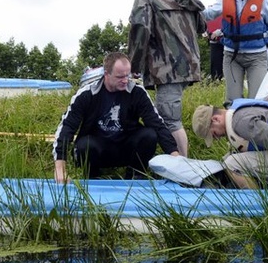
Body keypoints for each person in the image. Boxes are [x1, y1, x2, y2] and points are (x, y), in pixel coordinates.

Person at [53, 52, 179, 183]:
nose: (125, 80)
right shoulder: (86, 94)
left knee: (149, 135)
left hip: (125, 149)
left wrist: (174, 155)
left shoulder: (137, 92)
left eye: (127, 75)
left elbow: (157, 124)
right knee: (85, 145)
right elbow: (67, 127)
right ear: (106, 74)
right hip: (97, 149)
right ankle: (93, 176)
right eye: (120, 77)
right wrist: (60, 167)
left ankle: (135, 174)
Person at [128, 0, 206, 157]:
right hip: (190, 64)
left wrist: (132, 66)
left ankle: (182, 166)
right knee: (166, 115)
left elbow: (141, 30)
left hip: (167, 68)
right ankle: (173, 160)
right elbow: (202, 26)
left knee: (169, 120)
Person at [192, 99, 268, 189]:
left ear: (216, 119)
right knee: (226, 160)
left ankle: (257, 202)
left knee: (232, 163)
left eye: (213, 134)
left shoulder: (240, 122)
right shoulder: (236, 114)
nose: (216, 138)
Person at [206, 0, 224, 81]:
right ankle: (216, 79)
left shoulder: (228, 10)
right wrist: (207, 33)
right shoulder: (212, 10)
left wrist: (218, 32)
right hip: (214, 42)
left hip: (226, 41)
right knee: (215, 63)